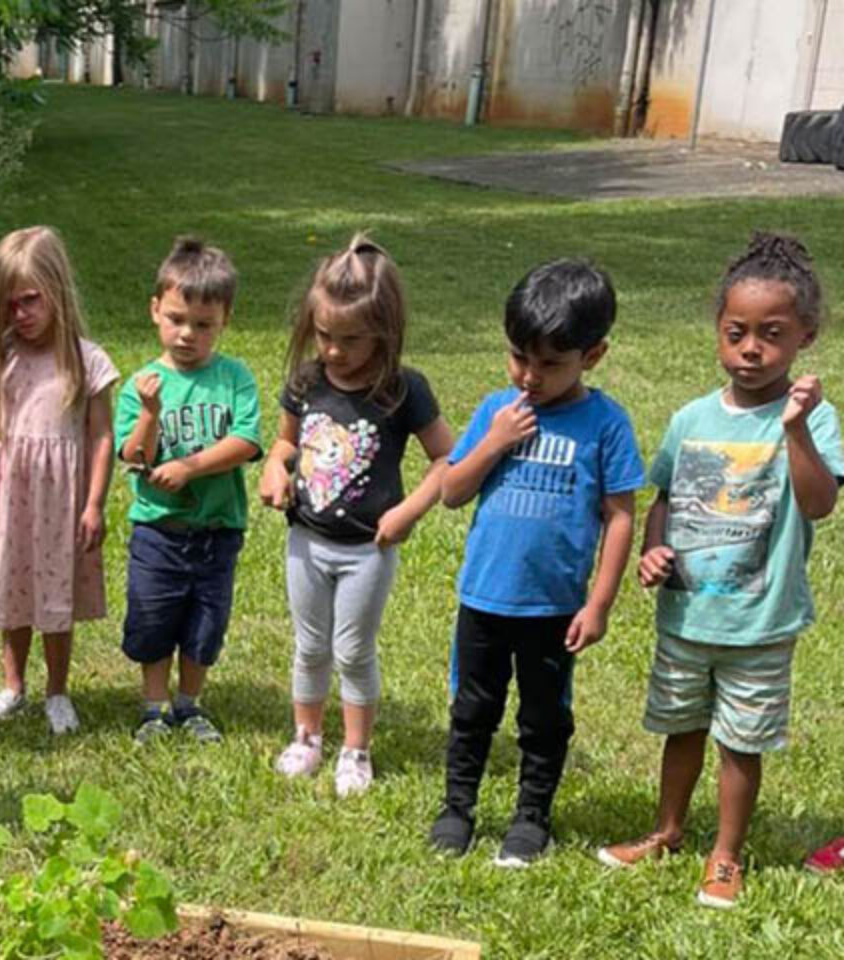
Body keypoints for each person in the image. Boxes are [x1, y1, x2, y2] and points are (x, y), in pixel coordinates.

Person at [599, 233, 844, 908]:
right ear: (718, 331)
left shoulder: (815, 422)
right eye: (736, 333)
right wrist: (652, 549)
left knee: (740, 742)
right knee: (681, 726)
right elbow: (667, 499)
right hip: (687, 614)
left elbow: (819, 503)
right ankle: (668, 831)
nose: (751, 350)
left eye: (772, 334)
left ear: (805, 338)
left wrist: (794, 428)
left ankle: (726, 855)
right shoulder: (691, 418)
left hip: (760, 621)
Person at [428, 259, 642, 867]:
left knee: (544, 717)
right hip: (484, 597)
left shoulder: (605, 423)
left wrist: (599, 603)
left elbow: (620, 515)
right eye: (520, 357)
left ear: (593, 356)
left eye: (551, 363)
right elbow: (451, 491)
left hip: (553, 607)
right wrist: (495, 441)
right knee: (472, 708)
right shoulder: (500, 409)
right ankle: (457, 807)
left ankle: (531, 818)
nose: (530, 376)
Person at [258, 235, 454, 797]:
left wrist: (410, 511)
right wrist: (274, 471)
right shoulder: (307, 381)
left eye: (350, 339)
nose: (334, 350)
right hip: (306, 541)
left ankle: (356, 749)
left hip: (368, 549)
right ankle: (306, 737)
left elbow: (447, 457)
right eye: (324, 336)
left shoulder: (403, 389)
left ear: (384, 333)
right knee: (310, 644)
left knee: (353, 649)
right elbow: (283, 445)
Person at [0, 227, 118, 735]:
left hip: (62, 500)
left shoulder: (86, 360)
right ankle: (13, 685)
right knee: (13, 586)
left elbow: (101, 436)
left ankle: (57, 690)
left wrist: (94, 502)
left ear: (56, 289)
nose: (21, 314)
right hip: (11, 498)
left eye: (31, 300)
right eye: (9, 305)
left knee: (56, 592)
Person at [115, 235, 261, 745]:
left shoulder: (235, 377)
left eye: (203, 326)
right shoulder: (142, 384)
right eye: (176, 319)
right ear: (155, 310)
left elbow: (246, 440)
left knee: (205, 624)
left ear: (225, 323)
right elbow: (133, 456)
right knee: (154, 618)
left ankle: (189, 704)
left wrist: (190, 466)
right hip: (158, 530)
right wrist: (151, 416)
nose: (186, 335)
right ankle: (153, 707)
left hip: (218, 530)